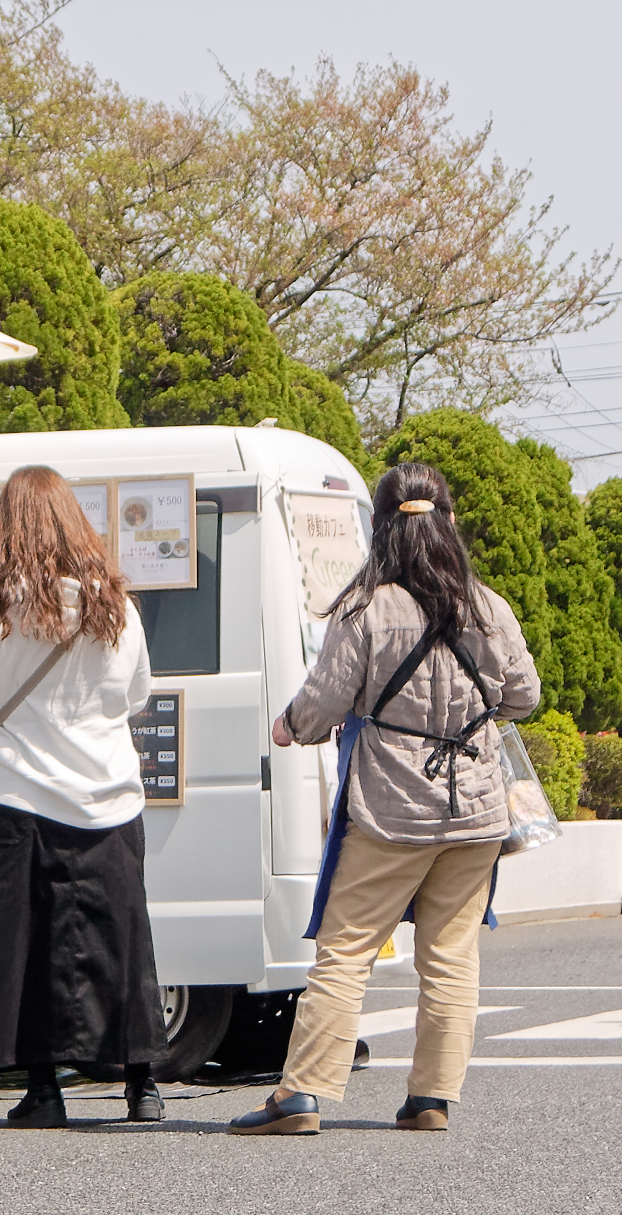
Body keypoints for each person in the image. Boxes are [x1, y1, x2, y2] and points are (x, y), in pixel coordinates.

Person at [229, 463, 538, 1136]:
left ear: (380, 528)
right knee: (451, 955)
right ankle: (431, 1098)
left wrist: (290, 725)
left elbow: (322, 703)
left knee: (345, 950)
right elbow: (525, 696)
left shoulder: (365, 608)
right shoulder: (488, 607)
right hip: (476, 808)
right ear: (449, 522)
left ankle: (302, 1094)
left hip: (390, 806)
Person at [0, 465, 164, 1128]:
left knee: (24, 945)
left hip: (18, 791)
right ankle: (142, 1083)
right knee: (122, 940)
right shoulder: (115, 606)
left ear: (6, 526)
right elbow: (136, 694)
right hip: (109, 794)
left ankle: (44, 1089)